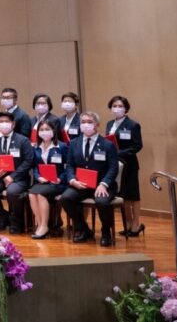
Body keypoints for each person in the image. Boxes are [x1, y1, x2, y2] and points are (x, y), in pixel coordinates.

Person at [61, 111, 119, 246]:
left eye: (89, 122)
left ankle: (106, 233)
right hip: (81, 184)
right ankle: (84, 229)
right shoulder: (74, 143)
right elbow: (69, 165)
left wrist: (104, 184)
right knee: (66, 198)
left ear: (97, 125)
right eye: (83, 122)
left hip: (102, 184)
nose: (86, 125)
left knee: (102, 202)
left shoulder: (107, 144)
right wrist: (72, 180)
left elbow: (113, 168)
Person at [0, 111, 34, 234]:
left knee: (13, 192)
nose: (4, 124)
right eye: (1, 122)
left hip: (18, 178)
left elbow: (28, 161)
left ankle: (16, 221)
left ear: (13, 124)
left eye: (7, 121)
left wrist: (13, 176)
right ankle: (2, 218)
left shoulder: (23, 140)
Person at [106, 95, 144, 237]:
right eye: (114, 106)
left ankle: (136, 224)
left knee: (133, 195)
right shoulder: (110, 124)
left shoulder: (133, 125)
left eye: (120, 106)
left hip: (129, 163)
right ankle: (127, 223)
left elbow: (138, 145)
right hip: (115, 164)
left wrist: (120, 152)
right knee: (123, 195)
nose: (117, 109)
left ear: (126, 108)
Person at [27, 120, 67, 239]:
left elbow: (68, 167)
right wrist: (38, 176)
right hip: (43, 181)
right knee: (31, 194)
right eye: (42, 130)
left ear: (53, 131)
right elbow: (34, 166)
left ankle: (44, 226)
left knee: (40, 194)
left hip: (58, 182)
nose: (45, 132)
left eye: (47, 129)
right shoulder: (36, 147)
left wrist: (60, 179)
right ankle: (40, 224)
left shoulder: (62, 146)